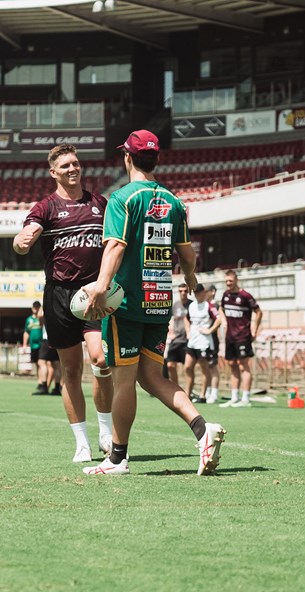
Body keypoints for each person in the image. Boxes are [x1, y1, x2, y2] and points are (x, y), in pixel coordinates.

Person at [83, 130, 226, 475]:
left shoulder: (123, 199)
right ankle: (202, 429)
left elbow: (115, 247)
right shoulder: (174, 202)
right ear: (156, 160)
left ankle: (117, 458)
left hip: (127, 303)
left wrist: (100, 287)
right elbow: (187, 254)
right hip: (159, 301)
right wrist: (190, 278)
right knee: (150, 377)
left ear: (127, 158)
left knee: (124, 380)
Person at [12, 143, 113, 463]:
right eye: (66, 165)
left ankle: (106, 432)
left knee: (100, 360)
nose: (73, 169)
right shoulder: (46, 207)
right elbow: (26, 234)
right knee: (70, 370)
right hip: (58, 296)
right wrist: (21, 242)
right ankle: (81, 442)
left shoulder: (100, 203)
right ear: (53, 172)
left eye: (75, 163)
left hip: (93, 294)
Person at [219, 269, 262, 408]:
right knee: (232, 365)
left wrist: (254, 329)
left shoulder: (245, 296)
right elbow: (221, 309)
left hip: (243, 336)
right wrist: (223, 321)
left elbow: (258, 312)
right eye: (226, 281)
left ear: (236, 280)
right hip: (230, 336)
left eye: (230, 281)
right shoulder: (225, 295)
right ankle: (234, 397)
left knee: (243, 365)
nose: (228, 283)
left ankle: (246, 398)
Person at [183, 283, 221, 403]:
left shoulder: (209, 306)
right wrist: (188, 332)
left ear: (203, 292)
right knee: (187, 367)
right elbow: (186, 319)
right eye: (195, 293)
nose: (197, 295)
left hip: (204, 342)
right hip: (192, 342)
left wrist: (210, 330)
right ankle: (187, 394)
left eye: (199, 292)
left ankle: (203, 395)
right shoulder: (192, 306)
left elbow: (219, 319)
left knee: (204, 368)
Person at [164, 283, 191, 385]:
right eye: (181, 291)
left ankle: (188, 391)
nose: (183, 293)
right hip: (176, 339)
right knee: (170, 365)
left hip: (188, 340)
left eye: (185, 291)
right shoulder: (175, 305)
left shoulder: (192, 305)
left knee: (188, 368)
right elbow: (171, 320)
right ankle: (176, 388)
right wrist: (170, 331)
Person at [201, 284, 222, 404]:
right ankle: (207, 391)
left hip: (212, 339)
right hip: (203, 340)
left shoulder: (215, 305)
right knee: (205, 366)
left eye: (206, 291)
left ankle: (214, 393)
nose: (203, 294)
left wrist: (210, 330)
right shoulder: (203, 305)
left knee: (212, 366)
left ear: (212, 292)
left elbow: (220, 320)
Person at [23, 301, 47, 394]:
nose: (36, 309)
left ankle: (43, 382)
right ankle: (39, 381)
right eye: (34, 307)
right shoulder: (29, 319)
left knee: (42, 363)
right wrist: (25, 344)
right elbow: (26, 332)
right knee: (37, 364)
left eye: (37, 307)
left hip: (42, 344)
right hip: (33, 345)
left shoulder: (41, 318)